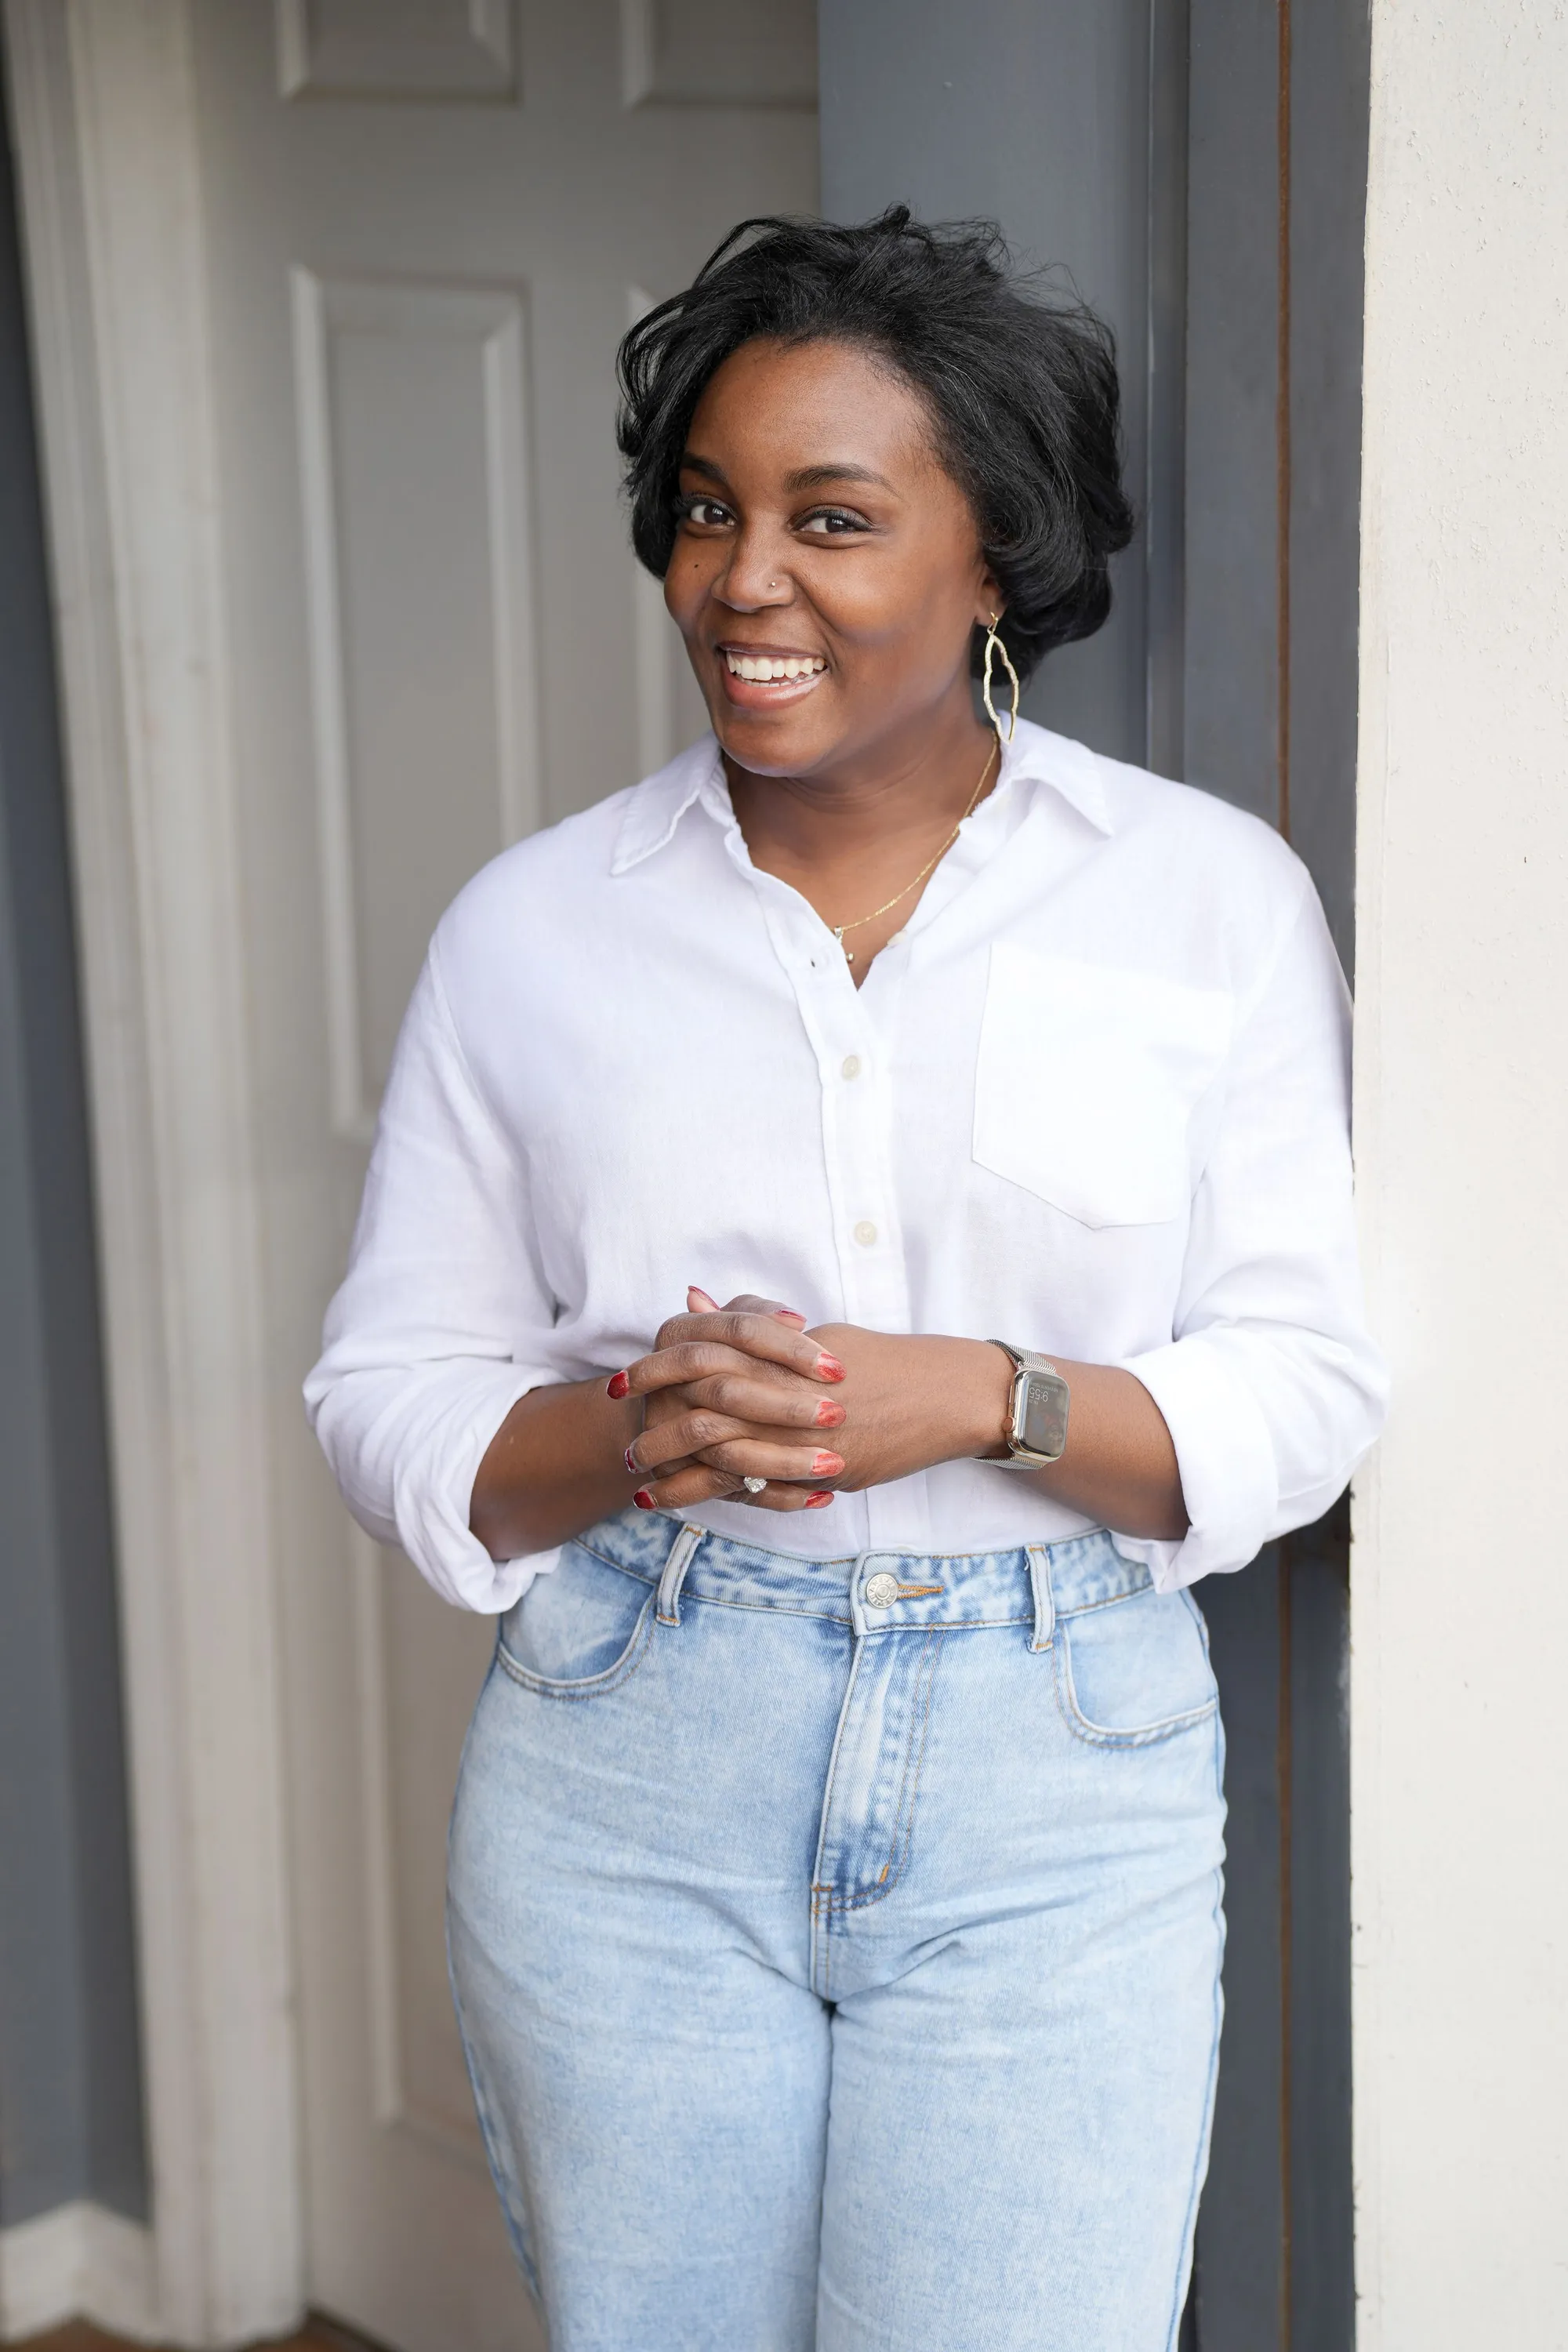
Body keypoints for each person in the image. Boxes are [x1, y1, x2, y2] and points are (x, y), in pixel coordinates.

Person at [305, 208, 1386, 2352]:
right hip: (632, 1767)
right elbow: (386, 1391)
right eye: (709, 509)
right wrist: (635, 1433)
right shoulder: (533, 932)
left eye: (832, 517)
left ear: (996, 561)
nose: (743, 579)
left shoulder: (1203, 905)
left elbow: (1311, 1383)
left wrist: (992, 1395)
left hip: (1055, 1777)